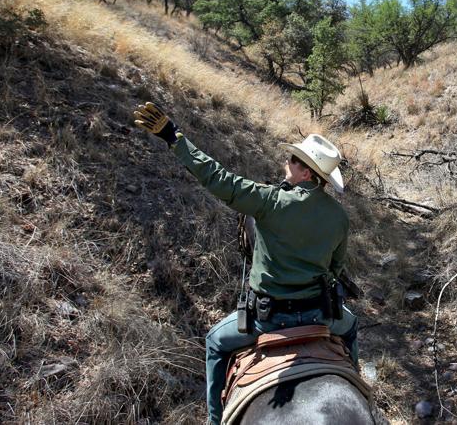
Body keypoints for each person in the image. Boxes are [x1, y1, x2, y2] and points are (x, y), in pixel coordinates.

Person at [133, 102, 359, 425]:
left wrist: (174, 138)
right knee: (351, 327)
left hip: (268, 321)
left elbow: (218, 178)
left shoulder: (269, 201)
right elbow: (335, 269)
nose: (286, 162)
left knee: (214, 342)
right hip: (318, 314)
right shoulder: (339, 217)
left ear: (306, 172)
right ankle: (358, 383)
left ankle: (214, 421)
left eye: (292, 160)